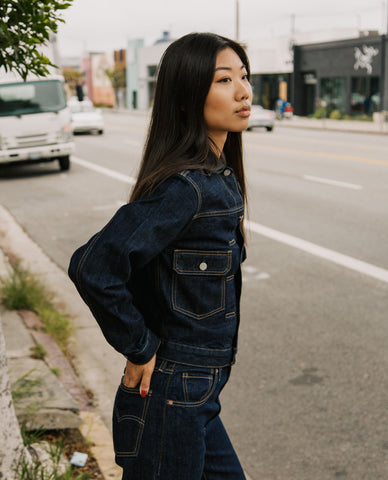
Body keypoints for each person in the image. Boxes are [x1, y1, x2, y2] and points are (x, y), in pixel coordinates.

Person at [68, 32, 252, 480]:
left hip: (198, 394)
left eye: (244, 77)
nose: (244, 91)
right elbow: (94, 266)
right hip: (174, 392)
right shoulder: (187, 188)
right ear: (187, 98)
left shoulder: (219, 178)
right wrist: (140, 346)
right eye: (224, 80)